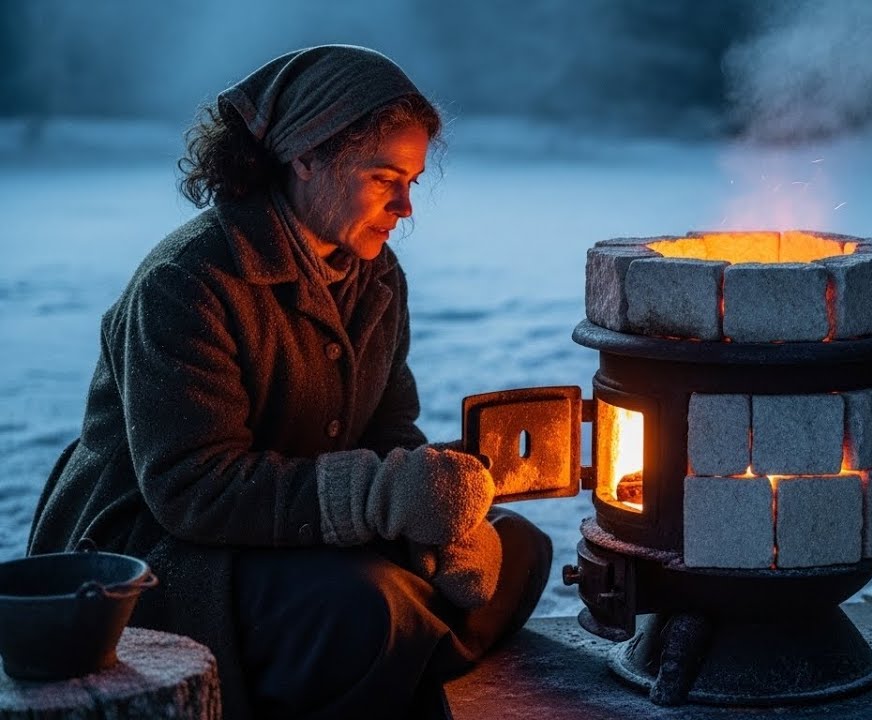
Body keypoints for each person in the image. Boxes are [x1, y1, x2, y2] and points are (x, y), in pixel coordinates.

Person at [27, 45, 552, 720]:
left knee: (521, 551)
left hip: (289, 524)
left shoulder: (376, 278)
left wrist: (441, 526)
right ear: (305, 158)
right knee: (367, 606)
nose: (404, 207)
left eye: (413, 181)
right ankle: (379, 647)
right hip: (161, 551)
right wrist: (383, 496)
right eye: (383, 177)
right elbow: (192, 488)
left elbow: (389, 427)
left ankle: (374, 654)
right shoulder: (189, 283)